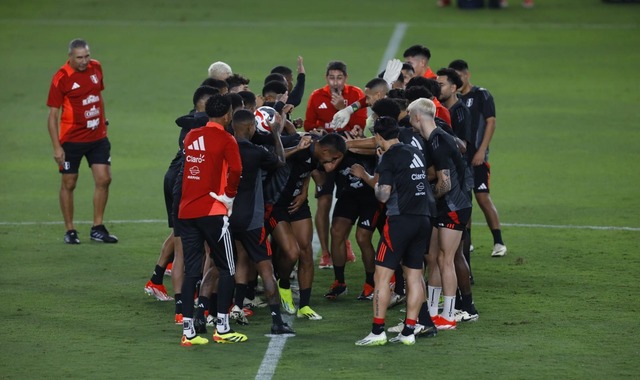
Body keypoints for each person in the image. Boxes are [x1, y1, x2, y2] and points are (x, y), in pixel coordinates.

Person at [353, 117, 433, 346]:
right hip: (423, 219)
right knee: (415, 276)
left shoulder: (388, 157)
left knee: (382, 277)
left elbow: (383, 195)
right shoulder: (414, 151)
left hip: (399, 222)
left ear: (378, 136)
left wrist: (372, 180)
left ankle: (378, 331)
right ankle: (409, 331)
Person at [178, 93, 245, 346]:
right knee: (227, 267)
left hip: (187, 212)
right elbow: (237, 170)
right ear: (227, 115)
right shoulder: (227, 139)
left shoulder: (191, 136)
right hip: (213, 211)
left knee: (191, 271)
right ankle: (222, 328)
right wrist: (229, 196)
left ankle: (188, 333)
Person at [144, 85, 218, 303]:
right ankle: (196, 298)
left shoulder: (192, 121)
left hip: (177, 179)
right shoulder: (207, 124)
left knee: (180, 238)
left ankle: (159, 281)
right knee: (194, 246)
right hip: (185, 184)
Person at [263, 133, 347, 321]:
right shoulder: (297, 143)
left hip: (297, 204)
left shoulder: (317, 151)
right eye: (332, 158)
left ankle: (305, 305)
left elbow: (311, 170)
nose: (332, 163)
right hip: (276, 205)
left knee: (306, 251)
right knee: (292, 252)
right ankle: (283, 285)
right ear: (324, 150)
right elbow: (270, 155)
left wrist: (303, 191)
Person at [408, 98, 472, 330]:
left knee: (446, 259)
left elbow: (444, 183)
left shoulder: (438, 141)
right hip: (445, 206)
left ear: (417, 117)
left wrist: (427, 197)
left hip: (454, 206)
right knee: (434, 258)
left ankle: (449, 315)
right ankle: (434, 312)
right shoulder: (435, 138)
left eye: (410, 115)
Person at [229, 109, 295, 335]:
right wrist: (276, 132)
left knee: (228, 264)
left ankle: (210, 314)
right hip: (252, 219)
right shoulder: (255, 152)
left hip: (226, 216)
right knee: (265, 267)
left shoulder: (225, 148)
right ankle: (277, 320)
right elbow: (280, 161)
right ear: (250, 127)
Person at [47, 38, 117, 244]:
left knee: (104, 179)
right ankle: (70, 230)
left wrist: (99, 117)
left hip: (97, 137)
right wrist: (56, 147)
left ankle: (97, 227)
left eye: (86, 56)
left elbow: (96, 95)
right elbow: (52, 115)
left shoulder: (96, 68)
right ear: (70, 56)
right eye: (79, 57)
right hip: (71, 141)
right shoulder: (61, 78)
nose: (84, 61)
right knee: (69, 183)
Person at [304, 61, 367, 269]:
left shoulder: (356, 95)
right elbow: (309, 126)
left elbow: (358, 129)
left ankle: (343, 241)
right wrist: (319, 131)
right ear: (326, 78)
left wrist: (343, 109)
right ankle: (324, 252)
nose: (335, 82)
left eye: (339, 78)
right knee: (323, 202)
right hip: (325, 157)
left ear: (345, 78)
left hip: (347, 156)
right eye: (331, 78)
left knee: (346, 201)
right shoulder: (316, 96)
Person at [449, 59, 507, 257]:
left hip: (478, 157)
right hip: (460, 160)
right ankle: (468, 241)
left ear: (467, 75)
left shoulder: (481, 94)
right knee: (465, 200)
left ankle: (498, 242)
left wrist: (482, 150)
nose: (460, 79)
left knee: (482, 197)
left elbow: (491, 122)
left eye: (461, 75)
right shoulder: (453, 99)